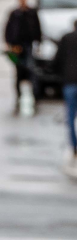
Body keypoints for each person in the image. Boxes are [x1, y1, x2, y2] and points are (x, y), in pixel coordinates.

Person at [5, 0, 42, 109]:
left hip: (29, 45)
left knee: (32, 71)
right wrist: (9, 44)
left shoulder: (31, 12)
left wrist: (38, 43)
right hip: (17, 47)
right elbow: (8, 29)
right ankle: (19, 96)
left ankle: (35, 95)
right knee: (18, 72)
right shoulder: (14, 13)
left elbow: (37, 28)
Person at [54, 20, 77, 163]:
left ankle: (74, 146)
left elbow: (57, 60)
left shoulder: (66, 38)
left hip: (69, 82)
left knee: (70, 116)